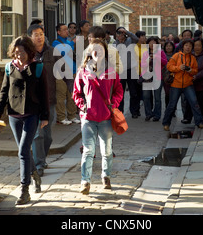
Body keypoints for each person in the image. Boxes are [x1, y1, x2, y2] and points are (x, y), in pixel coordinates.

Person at [0, 35, 48, 205]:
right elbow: (4, 91)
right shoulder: (10, 67)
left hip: (32, 113)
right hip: (14, 115)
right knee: (24, 151)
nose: (18, 56)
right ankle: (35, 175)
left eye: (22, 52)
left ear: (29, 51)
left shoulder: (38, 67)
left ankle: (25, 190)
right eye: (16, 53)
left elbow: (44, 94)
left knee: (23, 150)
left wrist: (45, 116)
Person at [73, 39, 123, 195]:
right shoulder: (82, 72)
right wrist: (83, 105)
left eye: (100, 50)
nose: (97, 52)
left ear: (104, 53)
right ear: (89, 53)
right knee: (88, 151)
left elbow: (118, 91)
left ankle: (106, 175)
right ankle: (85, 181)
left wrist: (113, 104)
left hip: (106, 118)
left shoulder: (111, 72)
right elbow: (76, 93)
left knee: (106, 151)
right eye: (94, 50)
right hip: (88, 117)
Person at [28, 23, 58, 176]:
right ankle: (39, 164)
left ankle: (42, 158)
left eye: (41, 34)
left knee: (47, 136)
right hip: (33, 101)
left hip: (49, 99)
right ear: (30, 37)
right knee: (37, 134)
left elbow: (64, 73)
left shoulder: (53, 52)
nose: (39, 37)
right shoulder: (27, 54)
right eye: (36, 34)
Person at [162, 39, 203, 131]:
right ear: (183, 46)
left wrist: (190, 70)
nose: (188, 47)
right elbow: (169, 66)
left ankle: (199, 122)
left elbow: (195, 70)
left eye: (190, 46)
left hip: (188, 84)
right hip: (175, 84)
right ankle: (166, 123)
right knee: (172, 105)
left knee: (194, 103)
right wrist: (179, 68)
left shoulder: (192, 58)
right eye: (186, 45)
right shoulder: (176, 56)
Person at [52, 24, 80, 125]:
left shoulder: (67, 42)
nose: (67, 31)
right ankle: (61, 117)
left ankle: (72, 116)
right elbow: (64, 51)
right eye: (64, 30)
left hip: (71, 72)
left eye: (66, 29)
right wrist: (72, 42)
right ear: (58, 32)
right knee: (61, 96)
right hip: (61, 73)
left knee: (71, 95)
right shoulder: (56, 43)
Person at [114, 27, 139, 117]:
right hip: (120, 70)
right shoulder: (114, 43)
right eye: (118, 33)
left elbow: (136, 39)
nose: (119, 35)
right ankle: (120, 111)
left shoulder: (130, 40)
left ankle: (134, 112)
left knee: (133, 92)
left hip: (131, 69)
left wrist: (127, 32)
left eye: (121, 32)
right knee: (120, 92)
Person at [141, 36, 167, 122]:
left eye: (154, 42)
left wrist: (156, 57)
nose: (152, 44)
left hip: (158, 77)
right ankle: (148, 114)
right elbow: (142, 66)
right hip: (147, 77)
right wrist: (148, 61)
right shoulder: (145, 53)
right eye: (150, 42)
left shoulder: (161, 52)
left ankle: (157, 115)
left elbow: (165, 62)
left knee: (157, 98)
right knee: (146, 96)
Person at [192, 38, 203, 122]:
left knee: (201, 102)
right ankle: (194, 117)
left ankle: (202, 118)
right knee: (193, 102)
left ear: (202, 46)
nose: (197, 47)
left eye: (199, 45)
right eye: (195, 45)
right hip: (192, 83)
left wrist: (196, 76)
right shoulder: (191, 56)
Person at [163, 41, 176, 112]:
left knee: (174, 94)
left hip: (174, 76)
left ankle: (173, 109)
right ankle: (168, 108)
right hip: (165, 76)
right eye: (167, 46)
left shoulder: (175, 55)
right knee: (167, 93)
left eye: (170, 46)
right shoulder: (163, 55)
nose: (168, 47)